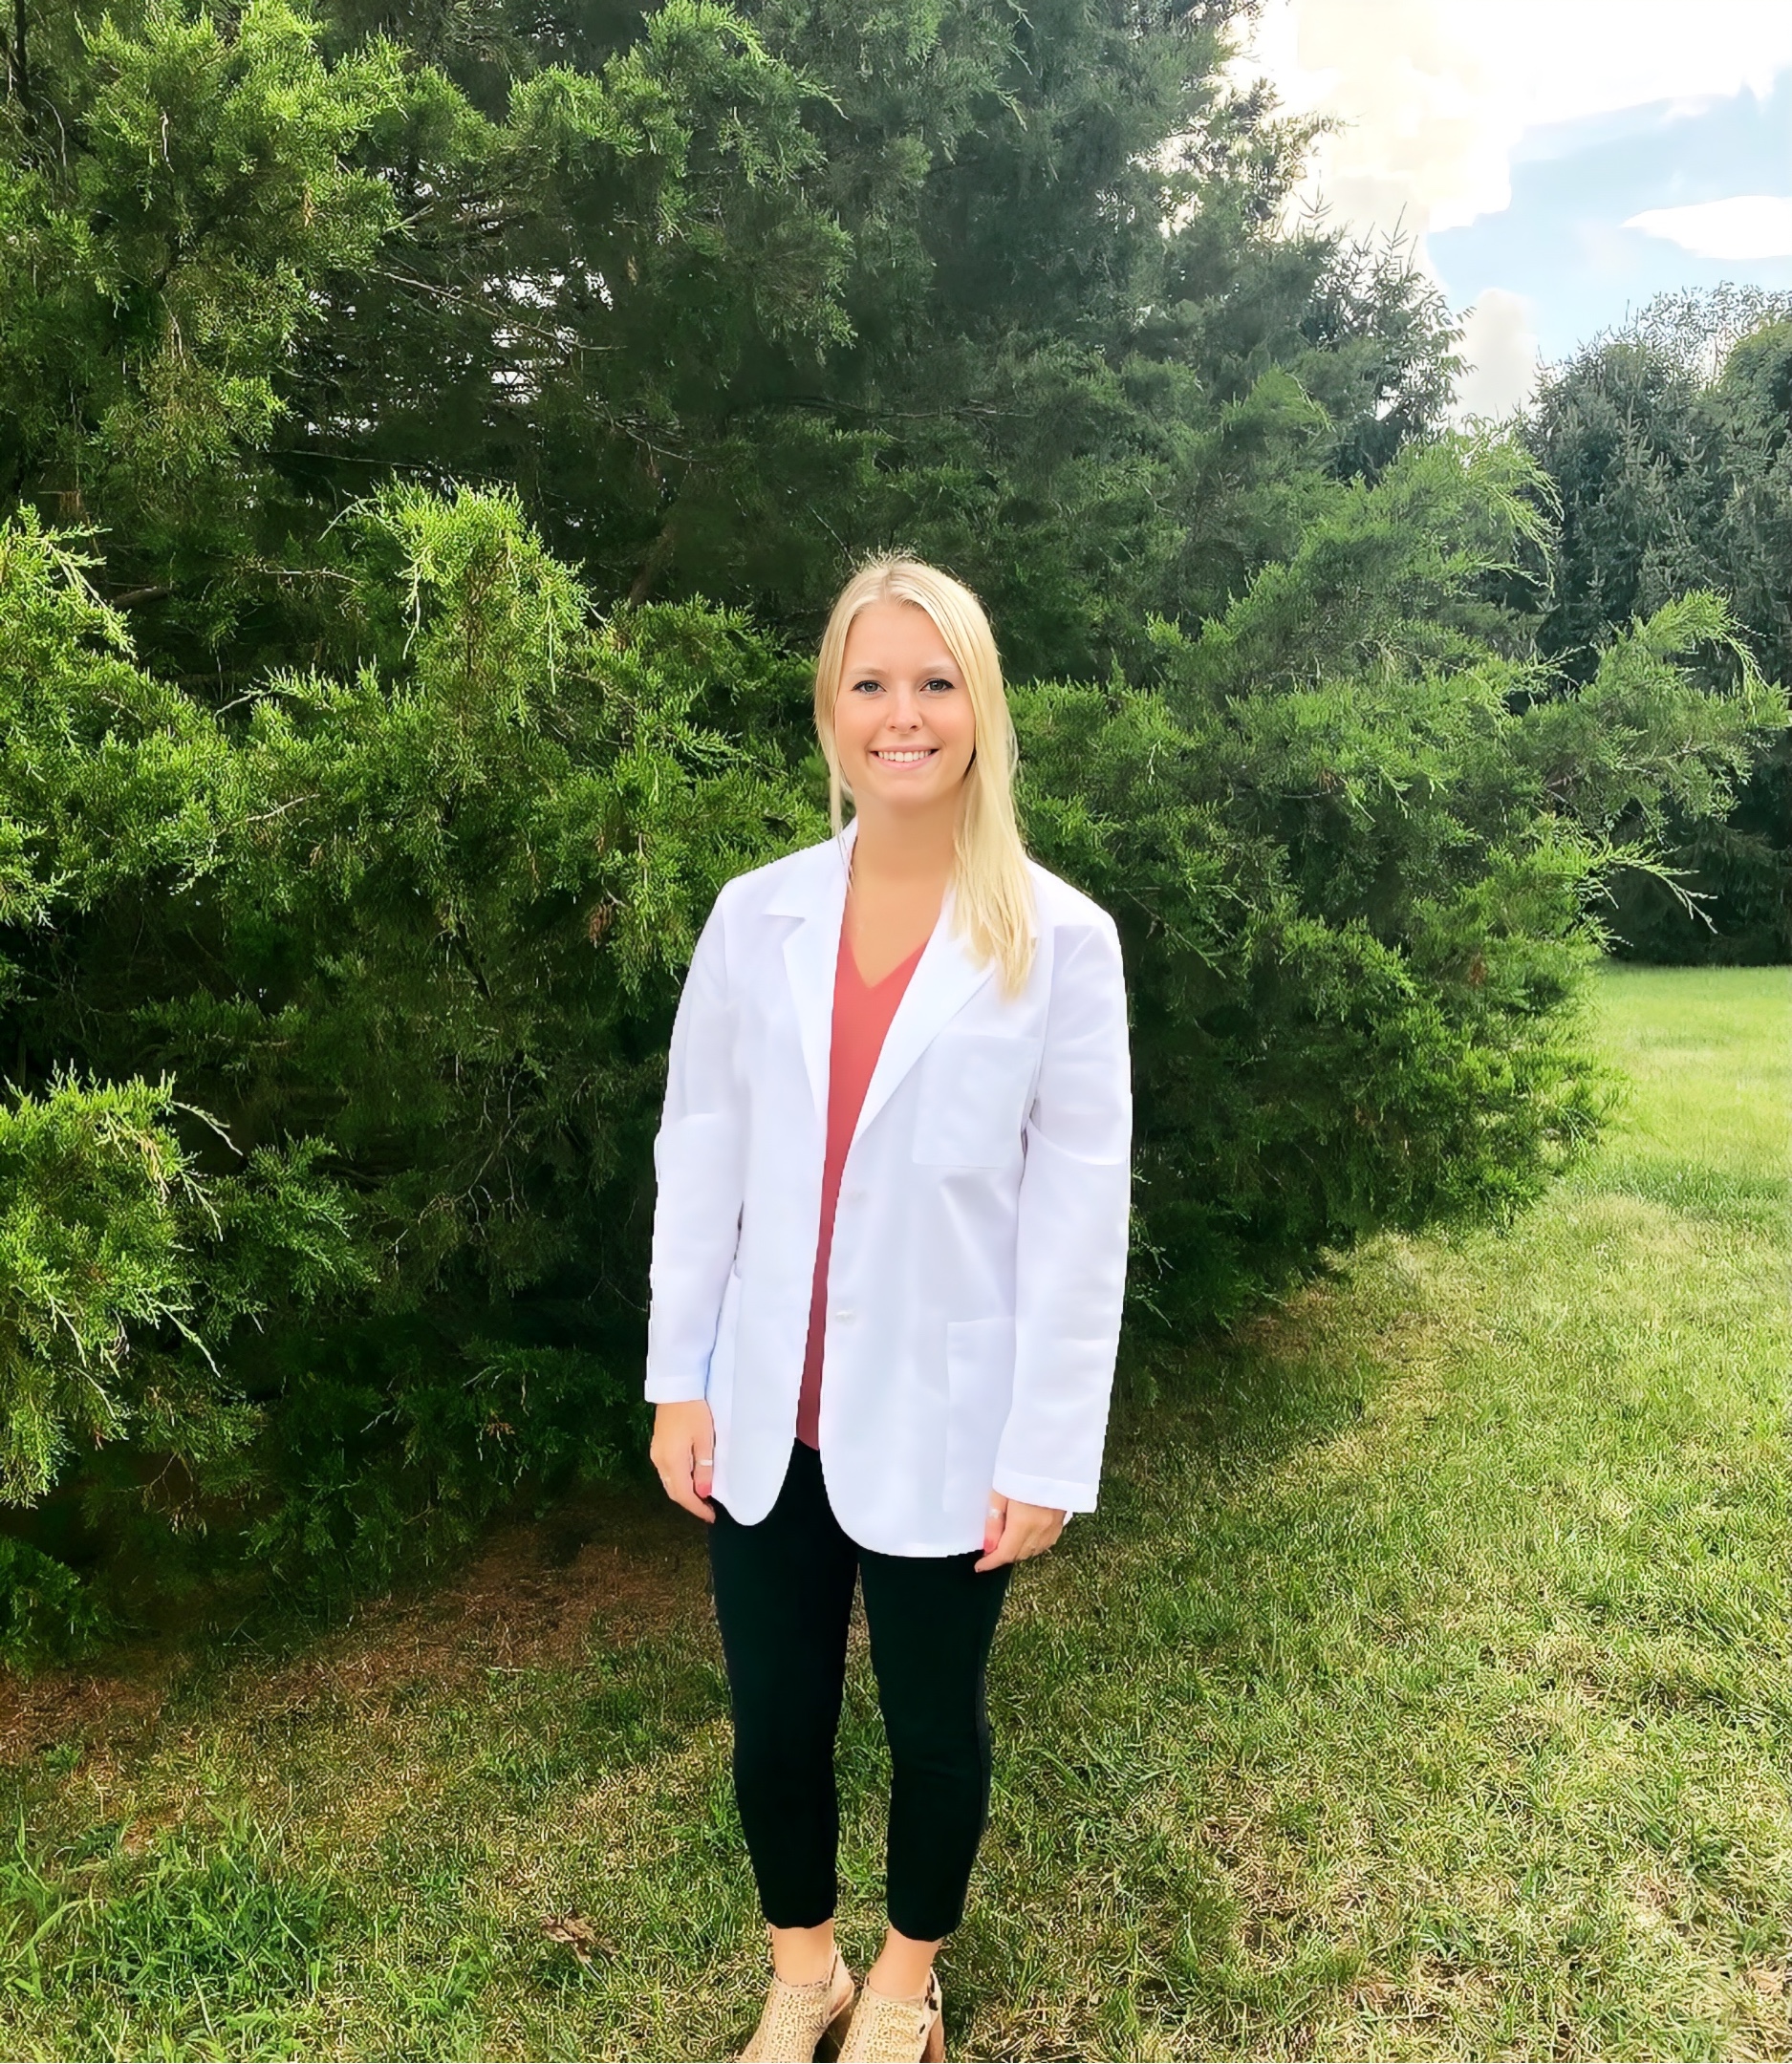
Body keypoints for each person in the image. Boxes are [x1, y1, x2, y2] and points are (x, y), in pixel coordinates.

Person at [645, 555, 1132, 2063]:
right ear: (830, 711)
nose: (901, 714)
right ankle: (808, 1969)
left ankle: (908, 1983)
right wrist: (679, 1376)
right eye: (871, 683)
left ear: (980, 709)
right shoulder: (754, 917)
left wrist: (1049, 1449)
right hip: (762, 1416)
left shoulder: (1061, 942)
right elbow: (701, 1153)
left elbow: (1078, 1214)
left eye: (935, 683)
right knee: (775, 1724)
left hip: (949, 1413)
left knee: (934, 1727)